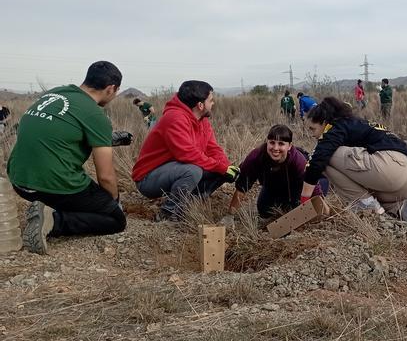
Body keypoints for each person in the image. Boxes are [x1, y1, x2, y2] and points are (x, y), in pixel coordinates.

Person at [6, 61, 126, 254]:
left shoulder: (55, 93)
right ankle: (54, 221)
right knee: (116, 220)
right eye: (116, 91)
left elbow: (58, 130)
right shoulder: (95, 115)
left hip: (19, 181)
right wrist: (113, 203)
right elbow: (105, 176)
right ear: (111, 89)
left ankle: (48, 209)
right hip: (51, 185)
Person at [300, 97, 407, 223]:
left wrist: (304, 199)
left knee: (325, 158)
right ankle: (401, 208)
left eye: (312, 129)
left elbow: (316, 161)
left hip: (391, 168)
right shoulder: (357, 124)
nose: (312, 134)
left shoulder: (334, 127)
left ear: (324, 122)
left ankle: (368, 208)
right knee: (366, 191)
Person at [131, 80, 239, 221]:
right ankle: (168, 213)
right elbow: (187, 154)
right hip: (148, 179)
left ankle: (188, 204)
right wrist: (221, 167)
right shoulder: (174, 119)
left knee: (221, 170)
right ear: (200, 105)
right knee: (193, 170)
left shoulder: (202, 120)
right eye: (211, 100)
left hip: (173, 170)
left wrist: (227, 167)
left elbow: (212, 148)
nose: (213, 103)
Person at [225, 124, 322, 220]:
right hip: (273, 185)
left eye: (281, 144)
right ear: (267, 142)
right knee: (264, 211)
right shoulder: (256, 157)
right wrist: (230, 215)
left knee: (294, 210)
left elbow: (313, 186)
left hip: (300, 186)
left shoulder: (298, 161)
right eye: (272, 142)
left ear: (289, 146)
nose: (275, 148)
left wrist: (321, 210)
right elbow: (242, 186)